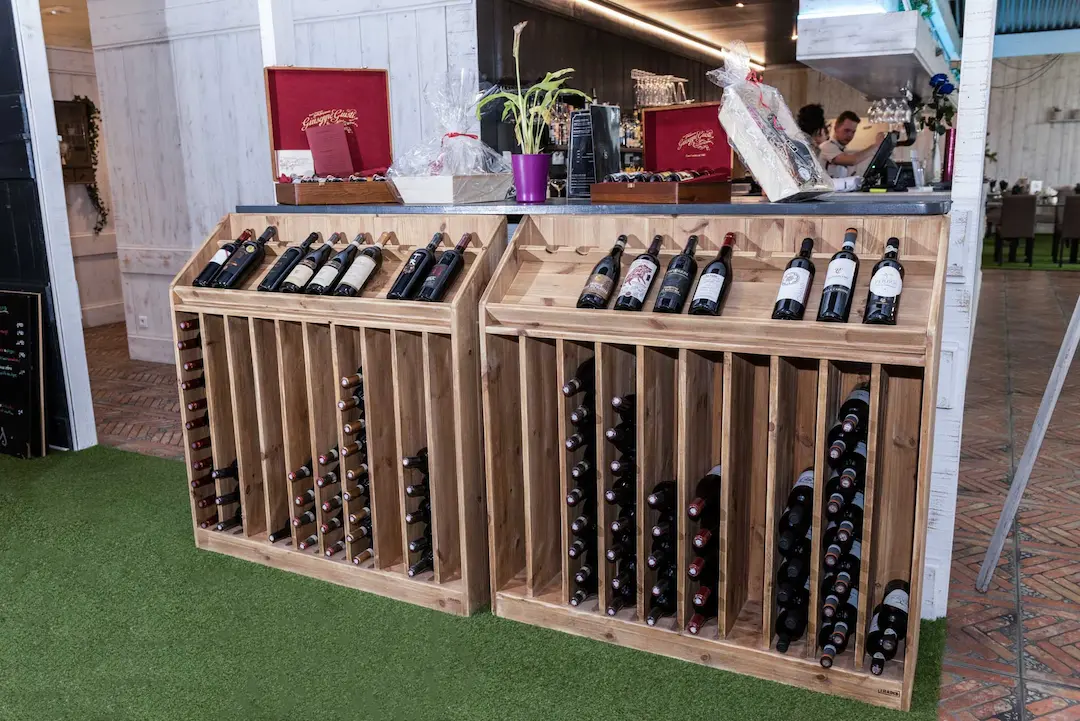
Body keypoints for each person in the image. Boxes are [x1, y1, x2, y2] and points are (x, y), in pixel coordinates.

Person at [819, 110, 885, 179]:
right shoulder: (826, 146)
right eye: (846, 130)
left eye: (853, 132)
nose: (850, 135)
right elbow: (852, 160)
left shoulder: (840, 150)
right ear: (836, 128)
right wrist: (876, 145)